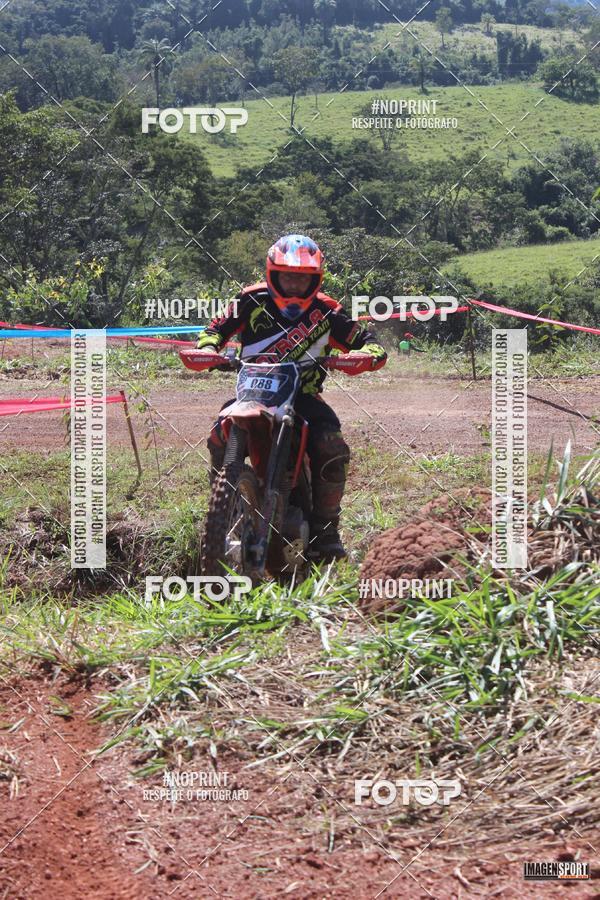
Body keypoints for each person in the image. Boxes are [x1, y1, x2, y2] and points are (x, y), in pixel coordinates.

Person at [196, 234, 387, 562]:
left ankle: (327, 531)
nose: (295, 285)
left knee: (331, 444)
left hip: (303, 396)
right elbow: (214, 330)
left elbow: (367, 341)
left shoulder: (327, 311)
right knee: (219, 432)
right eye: (288, 276)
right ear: (273, 274)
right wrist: (207, 349)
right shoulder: (250, 300)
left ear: (316, 279)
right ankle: (222, 509)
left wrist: (366, 354)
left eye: (303, 278)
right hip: (253, 391)